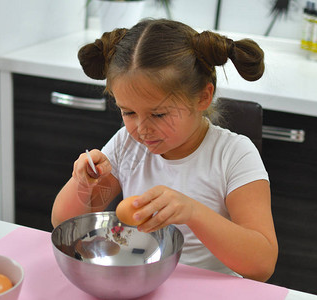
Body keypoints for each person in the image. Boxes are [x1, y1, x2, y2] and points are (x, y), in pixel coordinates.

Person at [51, 18, 278, 282]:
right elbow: (65, 224)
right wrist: (82, 183)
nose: (142, 129)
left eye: (158, 114)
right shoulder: (128, 144)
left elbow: (262, 264)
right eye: (129, 112)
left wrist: (192, 212)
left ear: (203, 97)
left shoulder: (234, 155)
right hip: (145, 280)